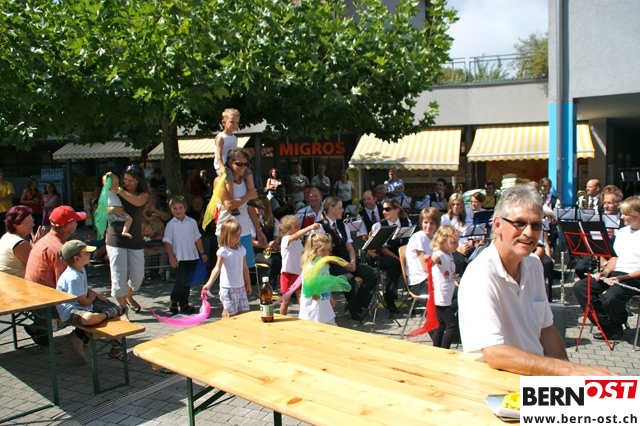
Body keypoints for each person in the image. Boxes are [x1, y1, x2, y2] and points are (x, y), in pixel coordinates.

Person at [458, 185, 615, 376]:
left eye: (536, 225)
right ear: (497, 225)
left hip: (535, 379)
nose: (529, 233)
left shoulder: (533, 264)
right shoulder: (480, 274)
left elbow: (546, 330)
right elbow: (495, 353)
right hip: (498, 382)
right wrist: (571, 371)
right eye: (519, 223)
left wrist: (570, 381)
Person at [573, 195, 640, 341]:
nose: (621, 217)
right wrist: (606, 272)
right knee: (581, 287)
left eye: (625, 214)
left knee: (611, 297)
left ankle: (616, 321)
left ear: (637, 215)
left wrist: (621, 278)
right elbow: (615, 257)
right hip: (616, 273)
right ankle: (609, 326)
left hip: (634, 277)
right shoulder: (622, 232)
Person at [56, 240, 128, 364]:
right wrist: (92, 298)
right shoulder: (73, 277)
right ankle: (107, 315)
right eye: (86, 253)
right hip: (71, 311)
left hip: (84, 304)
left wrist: (96, 295)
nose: (89, 254)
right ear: (76, 259)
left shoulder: (80, 270)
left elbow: (84, 289)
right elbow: (84, 302)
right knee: (90, 318)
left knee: (118, 310)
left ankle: (115, 347)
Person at [24, 205, 86, 346]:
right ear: (67, 227)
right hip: (46, 305)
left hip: (34, 298)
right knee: (104, 308)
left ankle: (39, 328)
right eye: (75, 221)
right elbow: (69, 288)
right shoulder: (60, 250)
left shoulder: (45, 240)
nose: (77, 224)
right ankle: (79, 337)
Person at [319, 196, 378, 321]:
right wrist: (342, 264)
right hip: (331, 264)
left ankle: (357, 303)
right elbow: (322, 254)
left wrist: (353, 261)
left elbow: (350, 247)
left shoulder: (342, 225)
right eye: (340, 208)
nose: (342, 210)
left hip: (346, 261)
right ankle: (353, 309)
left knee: (373, 274)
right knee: (349, 278)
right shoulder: (320, 227)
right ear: (331, 209)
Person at [105, 165, 149, 314]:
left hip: (135, 239)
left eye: (130, 180)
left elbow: (137, 202)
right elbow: (100, 208)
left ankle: (129, 297)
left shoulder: (142, 194)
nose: (126, 183)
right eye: (125, 179)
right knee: (119, 276)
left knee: (138, 277)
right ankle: (123, 310)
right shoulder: (115, 190)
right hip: (116, 238)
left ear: (138, 181)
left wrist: (118, 190)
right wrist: (111, 209)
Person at [216, 148, 264, 279]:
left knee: (246, 269)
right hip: (226, 231)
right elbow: (229, 205)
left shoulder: (246, 181)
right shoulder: (220, 180)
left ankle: (245, 292)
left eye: (245, 164)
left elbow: (250, 208)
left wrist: (259, 230)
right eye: (239, 164)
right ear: (230, 163)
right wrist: (247, 196)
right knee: (229, 270)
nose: (243, 167)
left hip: (245, 230)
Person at [163, 195, 207, 315]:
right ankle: (174, 300)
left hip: (191, 256)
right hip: (179, 257)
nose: (178, 211)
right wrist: (171, 258)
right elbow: (167, 242)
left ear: (185, 208)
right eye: (175, 208)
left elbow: (197, 238)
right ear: (171, 210)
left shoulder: (192, 222)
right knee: (181, 280)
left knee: (188, 281)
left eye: (180, 208)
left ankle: (184, 303)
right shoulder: (171, 224)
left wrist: (202, 252)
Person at [202, 219, 251, 318]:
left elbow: (245, 268)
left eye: (239, 234)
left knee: (244, 312)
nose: (238, 237)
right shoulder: (223, 251)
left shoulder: (242, 249)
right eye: (235, 235)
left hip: (240, 287)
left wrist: (248, 283)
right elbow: (217, 268)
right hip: (228, 288)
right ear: (227, 235)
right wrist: (209, 283)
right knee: (230, 315)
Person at [371, 198, 412, 313]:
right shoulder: (378, 226)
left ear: (396, 210)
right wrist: (399, 259)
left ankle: (415, 295)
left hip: (401, 253)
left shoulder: (406, 222)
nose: (384, 212)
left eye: (387, 209)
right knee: (394, 264)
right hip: (383, 256)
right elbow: (382, 249)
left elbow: (408, 243)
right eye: (383, 209)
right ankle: (390, 298)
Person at [214, 108, 256, 215]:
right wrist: (221, 167)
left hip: (232, 163)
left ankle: (252, 197)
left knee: (249, 173)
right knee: (229, 179)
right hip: (223, 164)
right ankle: (232, 202)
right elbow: (218, 155)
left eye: (237, 122)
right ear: (224, 122)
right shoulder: (220, 137)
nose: (235, 125)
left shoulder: (234, 137)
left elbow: (235, 153)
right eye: (232, 122)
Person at [279, 215, 320, 315]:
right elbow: (297, 235)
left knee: (301, 297)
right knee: (286, 300)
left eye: (298, 226)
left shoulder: (298, 242)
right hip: (287, 274)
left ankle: (305, 316)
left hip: (298, 273)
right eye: (296, 227)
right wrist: (309, 227)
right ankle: (282, 317)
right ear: (287, 230)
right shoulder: (286, 239)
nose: (298, 228)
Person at [429, 225, 459, 349]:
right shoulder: (439, 254)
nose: (456, 245)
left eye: (457, 242)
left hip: (447, 295)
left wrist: (454, 277)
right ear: (442, 241)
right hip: (441, 297)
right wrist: (428, 262)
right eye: (453, 242)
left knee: (440, 326)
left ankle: (436, 349)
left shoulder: (449, 254)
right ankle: (444, 349)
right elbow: (433, 261)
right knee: (452, 325)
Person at [299, 233, 337, 325]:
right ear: (313, 250)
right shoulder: (310, 267)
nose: (326, 253)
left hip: (323, 302)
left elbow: (326, 281)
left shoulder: (324, 263)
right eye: (322, 250)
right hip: (313, 306)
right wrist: (315, 293)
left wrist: (330, 296)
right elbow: (310, 286)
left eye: (328, 250)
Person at [0, 206, 45, 278]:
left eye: (32, 220)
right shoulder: (20, 244)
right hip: (15, 283)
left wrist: (34, 246)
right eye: (28, 222)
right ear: (16, 225)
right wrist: (38, 246)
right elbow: (38, 266)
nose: (33, 224)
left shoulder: (6, 236)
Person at [405, 207, 441, 295]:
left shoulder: (434, 238)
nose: (428, 226)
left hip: (433, 278)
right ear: (421, 222)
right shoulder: (418, 237)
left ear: (437, 224)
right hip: (419, 282)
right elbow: (426, 267)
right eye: (426, 222)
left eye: (432, 223)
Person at [252, 196, 281, 293]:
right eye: (255, 206)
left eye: (260, 206)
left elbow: (276, 237)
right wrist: (265, 245)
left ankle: (280, 286)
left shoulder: (274, 221)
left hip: (269, 251)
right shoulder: (251, 222)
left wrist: (275, 242)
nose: (257, 208)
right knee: (273, 261)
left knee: (283, 258)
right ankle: (268, 289)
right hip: (256, 252)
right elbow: (251, 241)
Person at [440, 193, 473, 275]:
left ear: (462, 205)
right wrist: (457, 248)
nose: (455, 207)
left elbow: (471, 232)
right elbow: (444, 239)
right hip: (453, 248)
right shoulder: (445, 219)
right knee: (461, 260)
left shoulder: (467, 217)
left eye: (458, 204)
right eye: (453, 204)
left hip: (467, 247)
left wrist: (470, 242)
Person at [141, 195, 171, 281]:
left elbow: (167, 217)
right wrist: (145, 209)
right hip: (145, 242)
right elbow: (136, 218)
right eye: (148, 202)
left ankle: (162, 271)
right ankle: (147, 272)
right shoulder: (141, 214)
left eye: (152, 202)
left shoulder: (158, 213)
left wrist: (155, 210)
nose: (150, 204)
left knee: (164, 250)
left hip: (159, 241)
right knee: (143, 251)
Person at [105, 173, 133, 239]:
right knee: (129, 219)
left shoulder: (107, 191)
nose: (117, 185)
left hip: (109, 215)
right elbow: (122, 191)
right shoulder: (116, 190)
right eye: (116, 184)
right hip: (117, 212)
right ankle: (125, 231)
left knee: (109, 225)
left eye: (118, 183)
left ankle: (107, 237)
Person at [0, 168, 15, 236]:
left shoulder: (8, 184)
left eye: (2, 175)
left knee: (7, 230)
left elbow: (11, 196)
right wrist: (6, 196)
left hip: (7, 210)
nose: (1, 177)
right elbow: (8, 196)